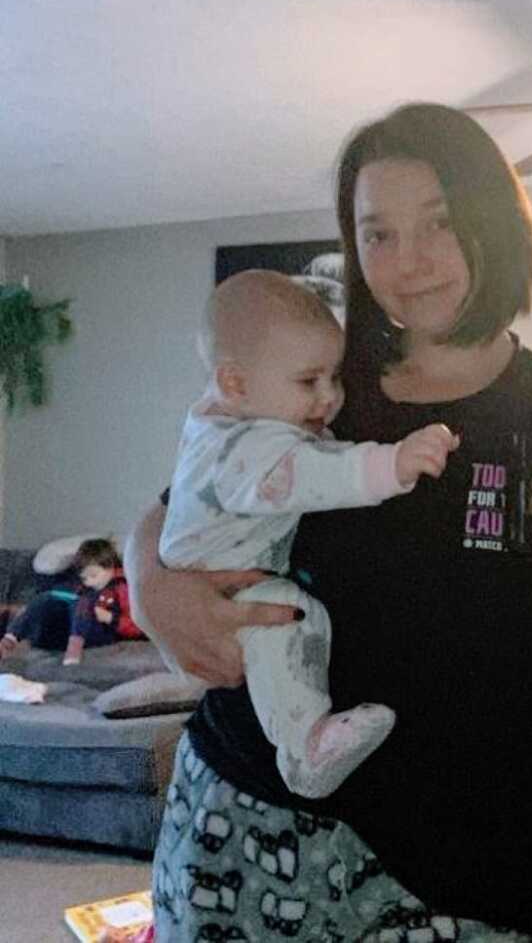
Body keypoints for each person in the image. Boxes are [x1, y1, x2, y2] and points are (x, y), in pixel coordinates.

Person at [127, 102, 532, 942]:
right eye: (378, 233)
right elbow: (182, 497)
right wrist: (149, 587)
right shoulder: (320, 383)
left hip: (462, 866)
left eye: (439, 221)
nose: (411, 262)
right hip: (242, 827)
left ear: (493, 221)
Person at [160, 268, 457, 798]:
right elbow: (313, 476)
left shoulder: (231, 418)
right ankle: (304, 748)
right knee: (289, 621)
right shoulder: (247, 448)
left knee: (298, 617)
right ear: (235, 383)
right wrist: (395, 464)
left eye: (334, 377)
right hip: (222, 587)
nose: (329, 396)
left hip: (223, 572)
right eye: (308, 382)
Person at [1, 537, 142, 664]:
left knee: (82, 602)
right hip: (65, 631)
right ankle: (10, 638)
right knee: (45, 597)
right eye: (85, 578)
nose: (89, 583)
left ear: (110, 567)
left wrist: (111, 618)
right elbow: (61, 594)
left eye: (94, 575)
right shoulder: (81, 586)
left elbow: (139, 626)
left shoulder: (122, 588)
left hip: (100, 633)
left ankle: (74, 648)